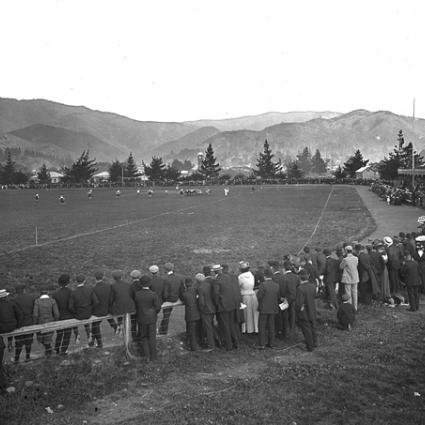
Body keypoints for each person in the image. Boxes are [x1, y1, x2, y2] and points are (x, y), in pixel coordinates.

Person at [133, 275, 161, 361]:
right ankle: (154, 356)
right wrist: (154, 313)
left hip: (141, 318)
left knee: (144, 337)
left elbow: (136, 306)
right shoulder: (153, 294)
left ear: (141, 284)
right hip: (152, 318)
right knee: (152, 337)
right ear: (149, 283)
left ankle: (147, 356)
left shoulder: (137, 294)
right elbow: (157, 307)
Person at [212, 264, 239, 350]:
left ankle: (229, 345)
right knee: (231, 324)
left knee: (225, 325)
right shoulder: (228, 277)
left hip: (223, 306)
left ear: (214, 272)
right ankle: (236, 342)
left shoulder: (217, 280)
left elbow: (216, 294)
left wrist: (217, 303)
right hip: (231, 304)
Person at [0, 289, 22, 392]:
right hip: (13, 326)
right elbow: (19, 315)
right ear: (5, 297)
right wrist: (17, 325)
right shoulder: (12, 303)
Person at [69, 274, 99, 345]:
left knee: (74, 319)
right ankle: (89, 335)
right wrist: (91, 309)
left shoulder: (73, 292)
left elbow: (70, 307)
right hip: (88, 313)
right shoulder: (89, 290)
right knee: (86, 322)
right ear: (84, 281)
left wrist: (75, 312)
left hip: (78, 315)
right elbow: (96, 302)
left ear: (76, 281)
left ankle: (77, 334)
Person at [255, 268, 280, 349]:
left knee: (262, 326)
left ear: (265, 276)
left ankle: (262, 344)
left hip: (264, 308)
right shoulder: (276, 285)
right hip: (273, 308)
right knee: (271, 326)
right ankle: (271, 343)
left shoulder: (263, 285)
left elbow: (259, 296)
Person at [33, 287, 60, 357]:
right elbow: (56, 314)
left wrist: (35, 323)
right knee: (48, 338)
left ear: (40, 294)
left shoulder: (37, 301)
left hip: (40, 322)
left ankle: (48, 351)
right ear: (48, 293)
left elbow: (35, 314)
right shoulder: (52, 301)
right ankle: (49, 350)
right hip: (50, 321)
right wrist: (55, 321)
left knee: (41, 338)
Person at [13, 284, 37, 363]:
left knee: (18, 343)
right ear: (24, 290)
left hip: (18, 324)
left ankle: (16, 359)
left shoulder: (13, 300)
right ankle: (27, 357)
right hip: (29, 322)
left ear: (16, 291)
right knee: (28, 341)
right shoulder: (31, 298)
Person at [159, 263, 184, 335]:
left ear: (165, 269)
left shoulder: (165, 278)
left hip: (167, 300)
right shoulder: (178, 278)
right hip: (175, 298)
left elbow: (165, 293)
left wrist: (164, 299)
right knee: (167, 315)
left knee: (166, 315)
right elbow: (182, 290)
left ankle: (163, 331)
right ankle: (162, 330)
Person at [295, 269, 318, 351]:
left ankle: (310, 346)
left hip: (304, 312)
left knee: (306, 329)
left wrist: (298, 309)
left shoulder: (300, 288)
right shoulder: (313, 286)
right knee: (312, 327)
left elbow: (299, 303)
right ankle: (314, 342)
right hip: (312, 309)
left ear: (300, 277)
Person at [53, 274, 75, 355]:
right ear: (68, 282)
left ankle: (56, 349)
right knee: (67, 335)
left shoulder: (55, 294)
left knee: (59, 334)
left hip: (59, 316)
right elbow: (71, 306)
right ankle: (63, 350)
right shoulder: (71, 292)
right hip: (69, 316)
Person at [91, 270, 114, 348]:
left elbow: (94, 302)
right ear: (103, 277)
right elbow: (111, 298)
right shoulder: (109, 286)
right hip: (108, 309)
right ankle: (115, 327)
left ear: (95, 278)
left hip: (98, 311)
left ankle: (99, 344)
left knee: (95, 325)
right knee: (95, 325)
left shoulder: (93, 288)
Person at [110, 270, 136, 336]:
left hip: (119, 308)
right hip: (130, 307)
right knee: (121, 305)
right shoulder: (128, 284)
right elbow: (131, 295)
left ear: (113, 278)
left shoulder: (113, 286)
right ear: (122, 277)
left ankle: (119, 326)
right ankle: (122, 327)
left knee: (118, 306)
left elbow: (112, 299)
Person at [180, 277, 201, 351]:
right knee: (196, 330)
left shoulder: (184, 294)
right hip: (197, 313)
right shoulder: (196, 291)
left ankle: (193, 347)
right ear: (192, 283)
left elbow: (183, 300)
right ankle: (196, 345)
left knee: (191, 331)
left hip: (190, 315)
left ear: (185, 285)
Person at [197, 271, 216, 351]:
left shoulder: (200, 288)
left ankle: (211, 346)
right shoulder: (208, 285)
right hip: (212, 308)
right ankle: (216, 342)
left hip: (206, 310)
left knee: (208, 328)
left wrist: (200, 309)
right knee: (211, 326)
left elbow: (201, 302)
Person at [281, 260, 300, 339]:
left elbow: (282, 289)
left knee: (285, 315)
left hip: (286, 298)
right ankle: (292, 330)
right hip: (294, 297)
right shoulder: (296, 276)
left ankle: (286, 332)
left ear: (284, 268)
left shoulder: (283, 277)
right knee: (293, 314)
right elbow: (298, 287)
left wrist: (282, 297)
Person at [238, 261, 258, 334]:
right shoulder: (252, 275)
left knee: (246, 313)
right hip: (252, 294)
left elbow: (239, 286)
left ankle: (246, 329)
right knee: (253, 312)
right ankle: (255, 328)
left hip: (245, 295)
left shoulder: (240, 277)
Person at [340, 246, 359, 311]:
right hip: (355, 277)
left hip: (348, 278)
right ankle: (355, 307)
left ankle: (349, 307)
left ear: (346, 251)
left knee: (348, 293)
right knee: (355, 292)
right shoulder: (356, 258)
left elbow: (341, 267)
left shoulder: (345, 259)